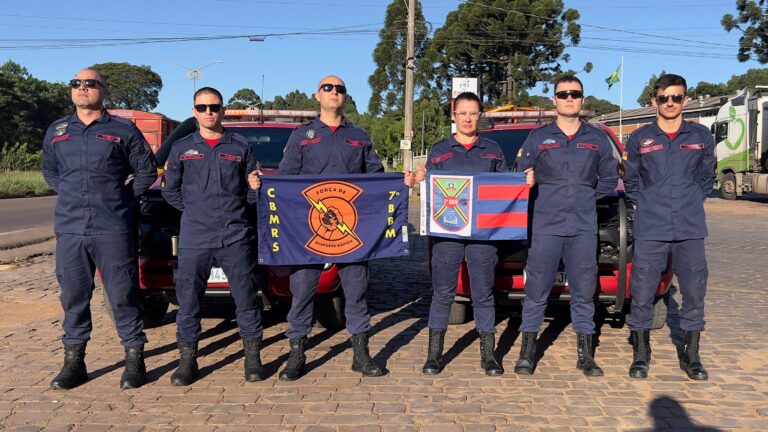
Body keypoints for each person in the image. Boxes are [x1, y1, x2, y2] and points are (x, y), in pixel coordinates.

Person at [273, 75, 415, 381]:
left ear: (345, 97)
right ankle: (297, 354)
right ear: (317, 95)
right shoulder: (302, 135)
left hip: (352, 230)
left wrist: (399, 182)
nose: (333, 92)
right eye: (327, 88)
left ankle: (361, 354)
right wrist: (263, 185)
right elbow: (286, 179)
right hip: (310, 232)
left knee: (357, 292)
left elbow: (376, 178)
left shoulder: (359, 136)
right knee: (302, 293)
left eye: (339, 89)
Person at [41, 68, 157, 390]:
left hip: (112, 227)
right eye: (76, 83)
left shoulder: (122, 129)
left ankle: (134, 361)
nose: (82, 88)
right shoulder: (57, 130)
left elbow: (146, 172)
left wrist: (121, 200)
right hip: (71, 228)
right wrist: (72, 195)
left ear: (104, 91)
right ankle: (74, 364)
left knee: (121, 295)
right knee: (73, 295)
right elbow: (50, 172)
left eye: (90, 83)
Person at [414, 92, 533, 376]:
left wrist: (523, 182)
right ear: (454, 116)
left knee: (483, 293)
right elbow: (431, 189)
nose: (467, 119)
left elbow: (504, 186)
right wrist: (419, 179)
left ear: (480, 116)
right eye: (462, 113)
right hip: (447, 235)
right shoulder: (439, 150)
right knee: (443, 293)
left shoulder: (492, 149)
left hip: (483, 235)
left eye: (473, 113)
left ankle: (488, 355)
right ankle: (433, 355)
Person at [513, 76, 618, 377]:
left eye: (575, 94)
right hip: (546, 226)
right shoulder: (538, 138)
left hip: (583, 228)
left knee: (584, 291)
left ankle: (586, 356)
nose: (569, 98)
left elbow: (610, 179)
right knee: (536, 290)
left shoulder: (597, 138)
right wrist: (529, 182)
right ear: (554, 100)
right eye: (563, 94)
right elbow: (519, 175)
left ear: (582, 99)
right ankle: (527, 353)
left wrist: (585, 198)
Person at [162, 87, 265, 385]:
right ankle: (187, 360)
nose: (209, 112)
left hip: (235, 234)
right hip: (195, 236)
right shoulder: (181, 148)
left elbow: (252, 192)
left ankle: (252, 357)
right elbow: (170, 190)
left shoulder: (240, 146)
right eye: (202, 107)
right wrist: (196, 211)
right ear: (194, 111)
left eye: (214, 107)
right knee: (189, 300)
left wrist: (250, 194)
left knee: (246, 297)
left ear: (223, 110)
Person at [623, 74, 716, 380]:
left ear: (685, 100)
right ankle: (641, 354)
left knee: (694, 292)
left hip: (690, 227)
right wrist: (647, 205)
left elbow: (707, 178)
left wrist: (691, 200)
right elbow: (631, 181)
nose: (670, 103)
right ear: (655, 101)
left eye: (676, 97)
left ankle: (691, 355)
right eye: (664, 98)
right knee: (642, 292)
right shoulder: (640, 138)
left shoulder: (701, 136)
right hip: (652, 228)